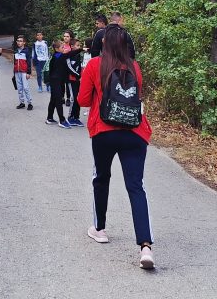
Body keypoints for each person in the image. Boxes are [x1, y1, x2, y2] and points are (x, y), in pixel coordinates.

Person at [77, 26, 155, 270]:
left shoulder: (94, 65)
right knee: (136, 186)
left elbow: (83, 100)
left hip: (104, 131)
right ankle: (145, 247)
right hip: (135, 132)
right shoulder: (135, 66)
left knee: (101, 178)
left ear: (103, 44)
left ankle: (99, 229)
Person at [44, 37, 72, 128]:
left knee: (53, 99)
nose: (64, 49)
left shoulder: (56, 56)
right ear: (56, 49)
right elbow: (70, 53)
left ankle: (49, 118)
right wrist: (80, 49)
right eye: (62, 47)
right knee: (58, 100)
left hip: (55, 81)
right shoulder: (58, 56)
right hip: (55, 81)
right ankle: (62, 120)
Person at [11, 34, 33, 110]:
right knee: (19, 88)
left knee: (26, 88)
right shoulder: (15, 51)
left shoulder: (26, 51)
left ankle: (30, 103)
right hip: (17, 72)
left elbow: (29, 63)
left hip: (24, 72)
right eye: (18, 41)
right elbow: (15, 62)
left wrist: (28, 73)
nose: (19, 42)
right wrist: (14, 73)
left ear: (24, 42)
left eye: (20, 41)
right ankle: (22, 103)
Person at [66, 36, 85, 126]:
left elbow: (80, 68)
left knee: (78, 98)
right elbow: (69, 68)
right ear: (72, 46)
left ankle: (76, 118)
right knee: (73, 98)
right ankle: (70, 117)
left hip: (78, 80)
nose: (79, 47)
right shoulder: (68, 55)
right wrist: (78, 76)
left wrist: (81, 76)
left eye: (79, 45)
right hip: (71, 80)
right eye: (77, 45)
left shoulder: (78, 56)